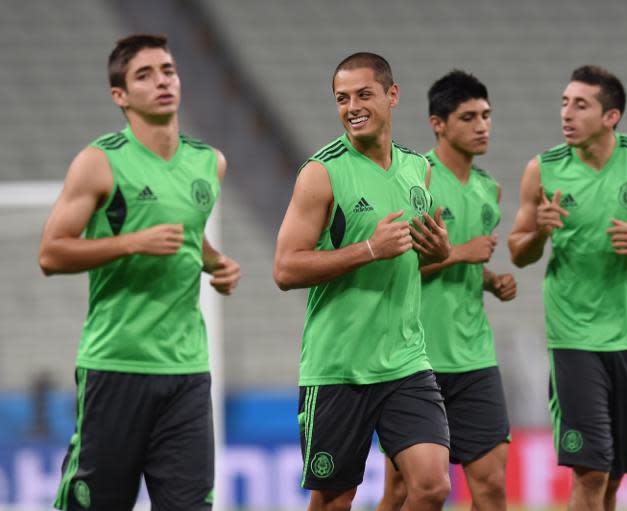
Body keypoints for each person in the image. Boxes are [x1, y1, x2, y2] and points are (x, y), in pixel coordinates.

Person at [38, 34, 241, 511]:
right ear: (121, 96)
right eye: (144, 75)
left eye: (167, 70)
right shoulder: (99, 162)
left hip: (187, 370)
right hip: (116, 364)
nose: (162, 81)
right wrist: (131, 242)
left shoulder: (208, 163)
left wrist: (216, 262)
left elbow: (186, 233)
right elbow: (51, 253)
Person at [508, 65, 627, 511]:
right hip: (573, 337)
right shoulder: (544, 169)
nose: (567, 113)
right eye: (564, 103)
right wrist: (539, 232)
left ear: (611, 116)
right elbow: (519, 251)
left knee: (613, 474)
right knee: (590, 469)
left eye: (580, 105)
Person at [273, 52, 452, 511]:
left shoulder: (419, 168)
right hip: (338, 367)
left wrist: (439, 253)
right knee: (335, 500)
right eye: (342, 98)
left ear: (392, 96)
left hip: (406, 361)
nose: (352, 106)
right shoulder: (322, 173)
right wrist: (368, 248)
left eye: (364, 94)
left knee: (432, 487)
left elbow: (418, 256)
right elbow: (285, 268)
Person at [377, 70, 516, 511]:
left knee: (492, 489)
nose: (482, 126)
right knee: (403, 493)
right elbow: (396, 267)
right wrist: (460, 253)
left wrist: (492, 281)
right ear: (438, 124)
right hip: (417, 360)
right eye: (468, 117)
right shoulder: (415, 180)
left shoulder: (488, 189)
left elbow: (472, 261)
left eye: (486, 115)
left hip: (474, 356)